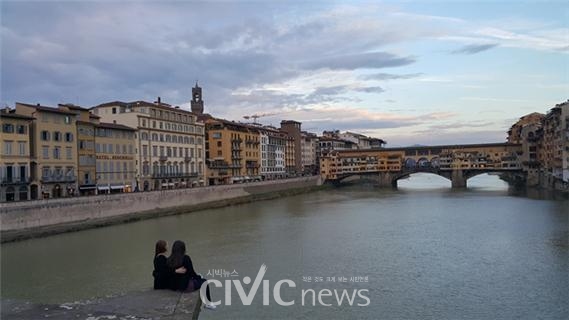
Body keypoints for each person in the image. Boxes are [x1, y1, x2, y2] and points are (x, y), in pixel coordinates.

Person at [167, 240, 216, 310]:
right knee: (205, 282)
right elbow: (192, 273)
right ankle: (208, 303)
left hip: (174, 286)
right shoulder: (185, 258)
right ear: (183, 249)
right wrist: (199, 277)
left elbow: (169, 273)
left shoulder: (169, 260)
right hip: (185, 287)